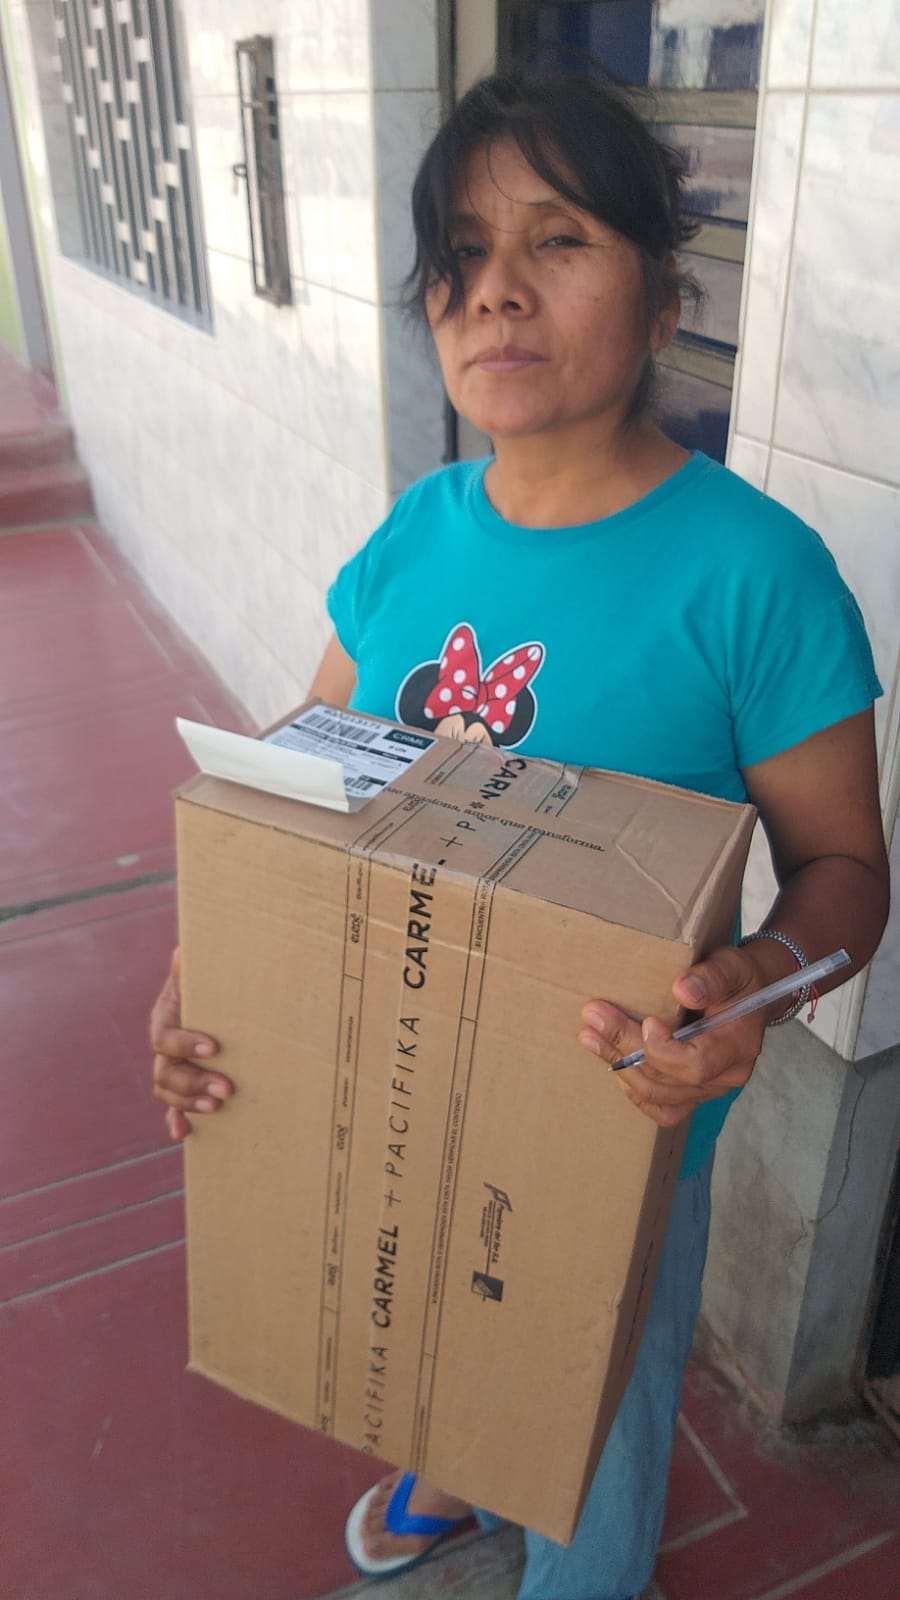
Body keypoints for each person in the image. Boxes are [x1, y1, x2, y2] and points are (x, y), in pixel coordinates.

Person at [150, 69, 889, 1600]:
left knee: (587, 1444)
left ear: (664, 294)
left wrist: (749, 991)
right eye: (464, 254)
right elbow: (300, 788)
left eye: (557, 240)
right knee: (418, 1305)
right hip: (393, 1075)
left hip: (613, 1138)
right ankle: (454, 1460)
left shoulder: (757, 577)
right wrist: (203, 974)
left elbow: (844, 875)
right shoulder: (411, 535)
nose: (496, 289)